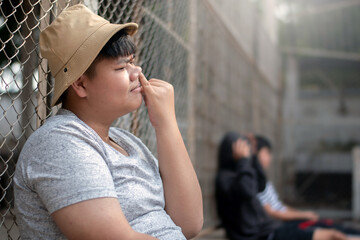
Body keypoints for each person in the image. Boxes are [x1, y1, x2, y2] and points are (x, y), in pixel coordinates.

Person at [14, 4, 203, 240]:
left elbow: (190, 223)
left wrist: (166, 124)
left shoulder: (129, 142)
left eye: (133, 62)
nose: (137, 72)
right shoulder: (60, 142)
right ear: (81, 84)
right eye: (122, 66)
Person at [216, 132, 360, 240]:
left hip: (272, 229)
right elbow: (247, 191)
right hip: (266, 235)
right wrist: (243, 161)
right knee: (332, 235)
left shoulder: (242, 174)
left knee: (334, 230)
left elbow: (260, 185)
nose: (246, 152)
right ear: (231, 151)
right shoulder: (225, 178)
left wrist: (251, 157)